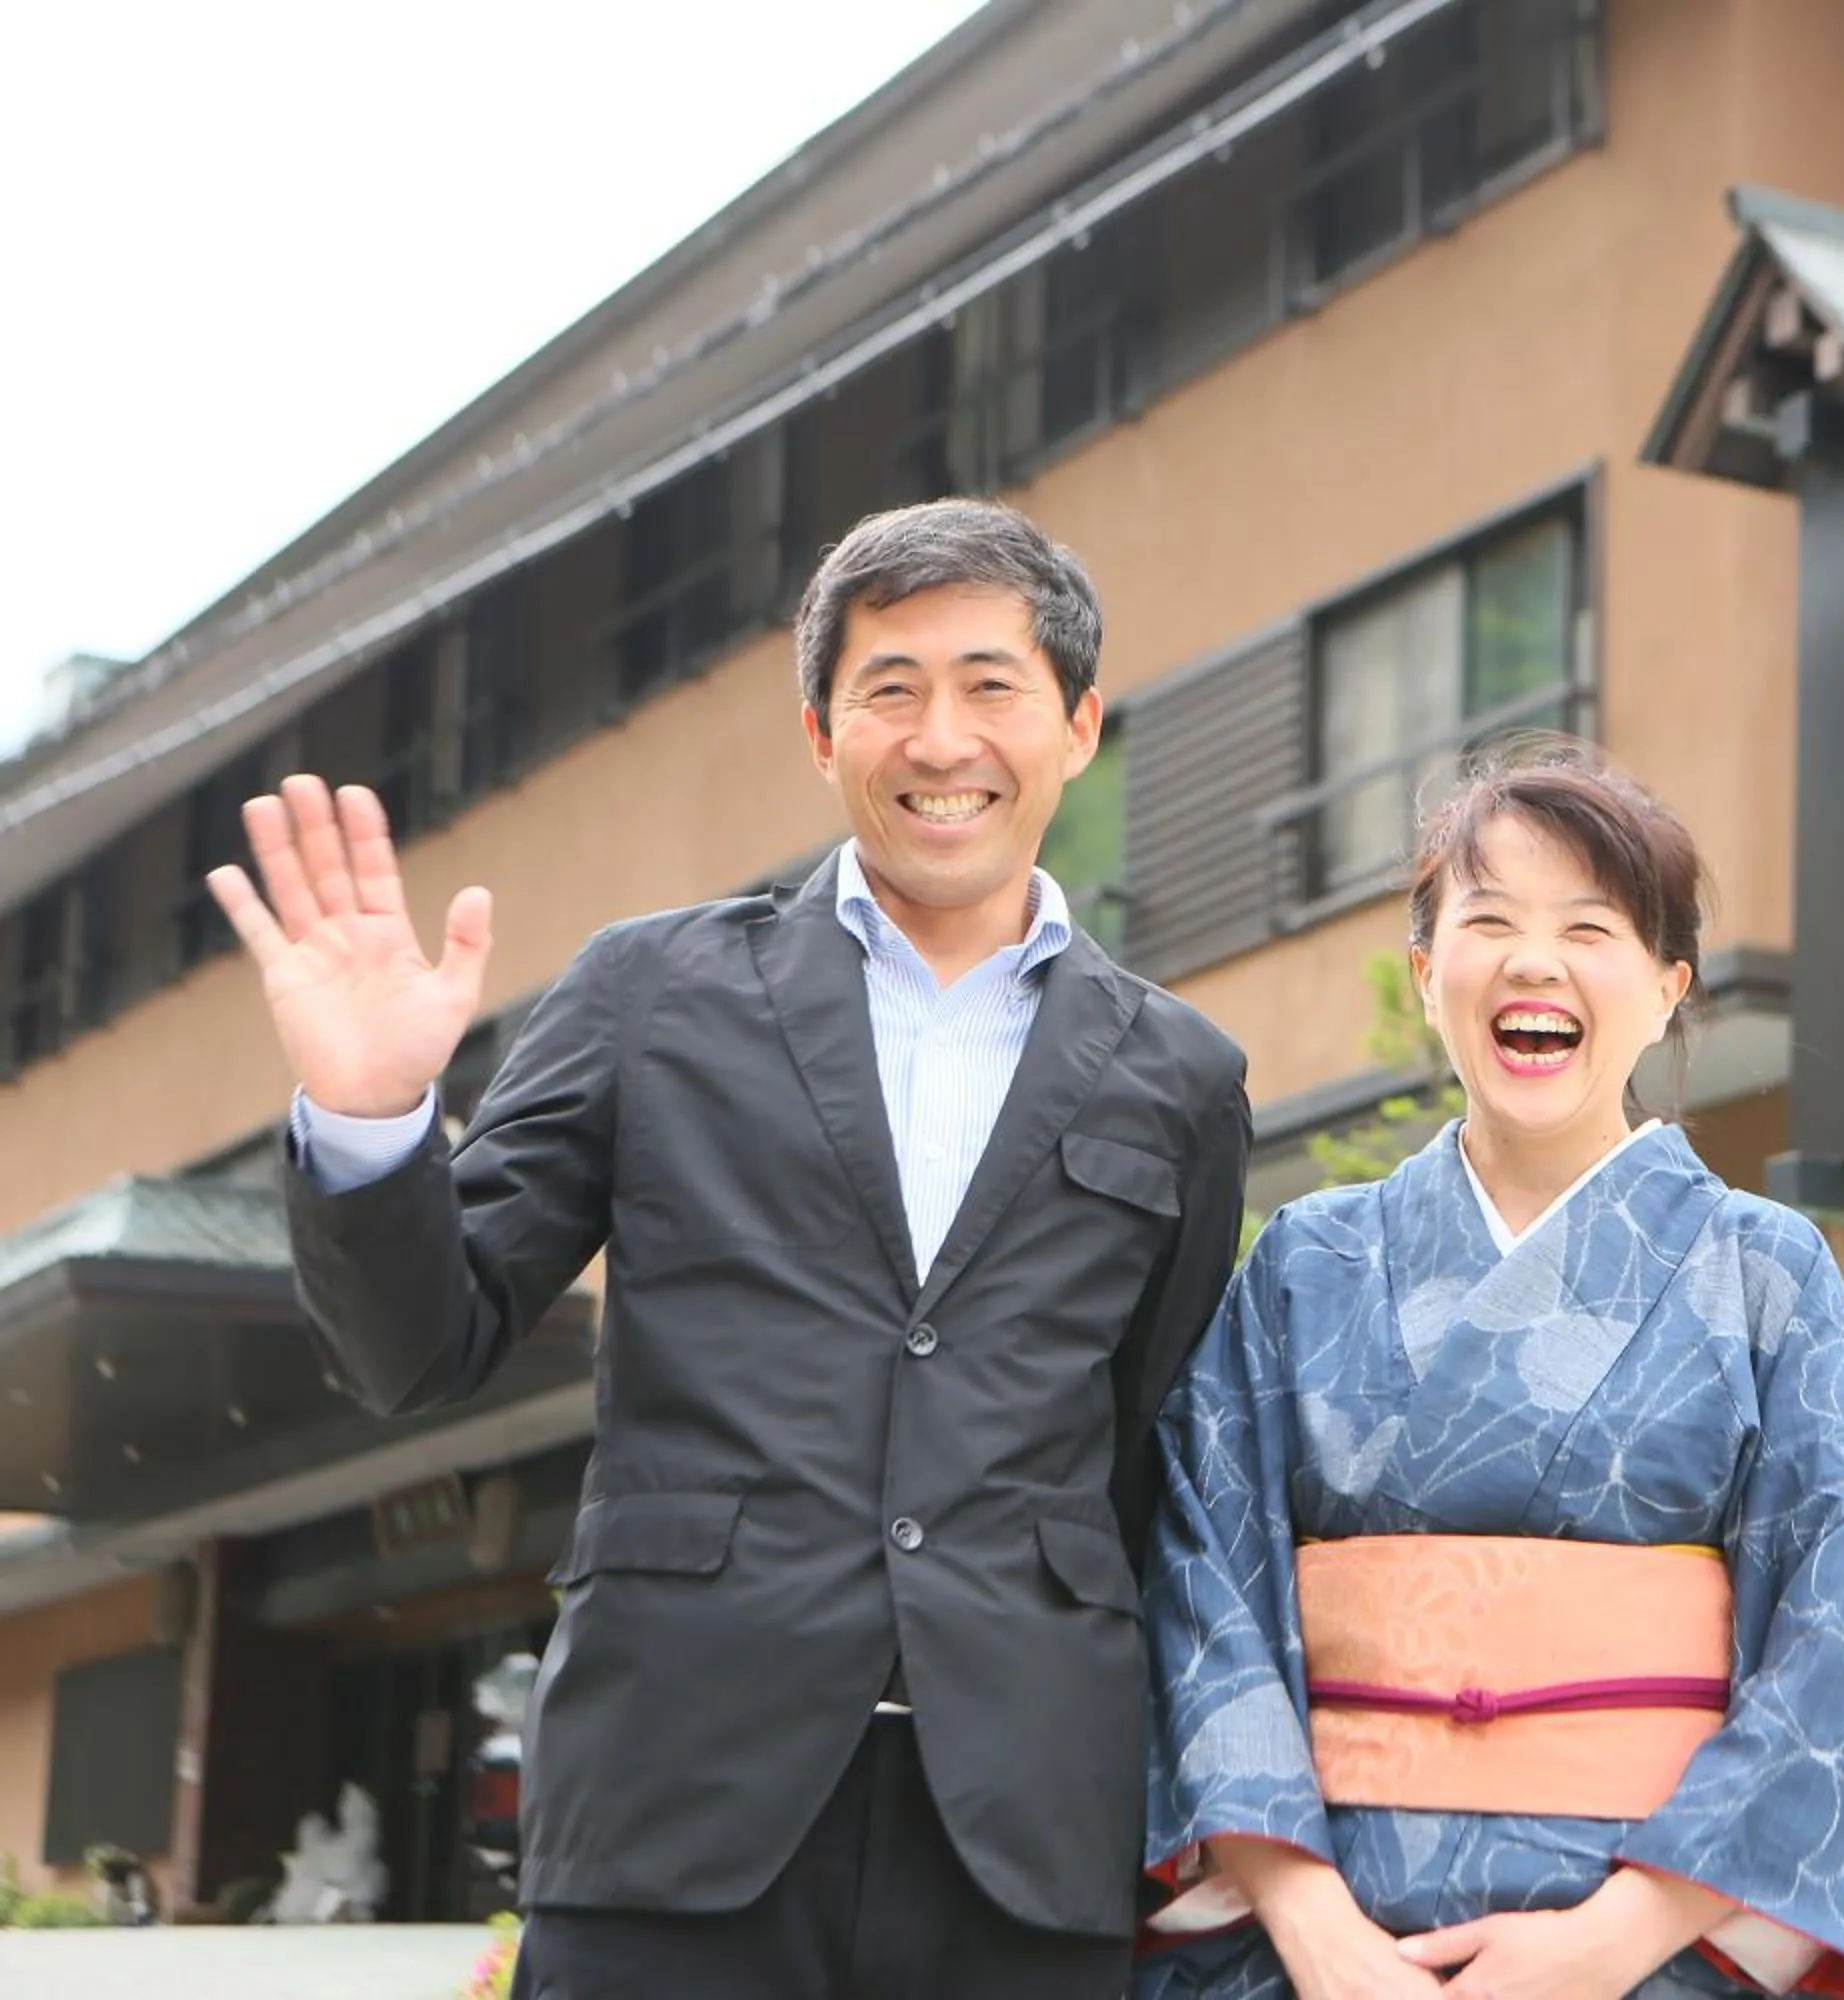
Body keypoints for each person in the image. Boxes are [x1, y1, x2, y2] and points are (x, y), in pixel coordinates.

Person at [207, 498, 1251, 1999]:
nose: (941, 737)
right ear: (822, 734)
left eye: (991, 686)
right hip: (674, 1811)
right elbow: (417, 1345)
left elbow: (1146, 1447)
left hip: (1025, 1839)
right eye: (889, 689)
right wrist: (372, 1125)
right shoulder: (651, 993)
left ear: (1079, 725)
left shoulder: (1184, 1076)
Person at [1137, 741, 1844, 2000]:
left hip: (1652, 1949)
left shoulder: (1761, 1273)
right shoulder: (1308, 1261)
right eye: (1490, 922)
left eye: (1591, 926)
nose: (1536, 961)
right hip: (1317, 1952)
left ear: (1666, 986)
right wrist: (1312, 1924)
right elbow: (1200, 1583)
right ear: (1429, 976)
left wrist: (1623, 1935)